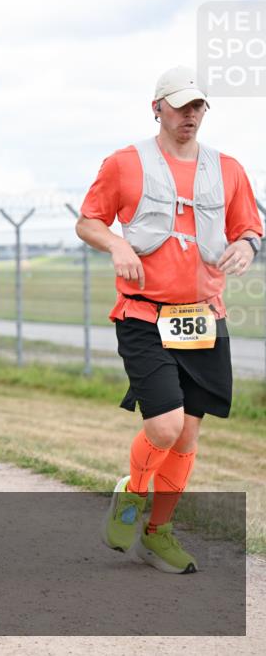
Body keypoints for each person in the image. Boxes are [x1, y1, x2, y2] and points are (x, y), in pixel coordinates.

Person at [76, 66, 262, 574]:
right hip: (144, 314)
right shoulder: (125, 163)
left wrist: (247, 244)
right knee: (164, 425)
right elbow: (88, 219)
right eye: (181, 105)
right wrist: (116, 243)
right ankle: (132, 494)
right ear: (156, 107)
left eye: (198, 106)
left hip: (204, 318)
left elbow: (248, 225)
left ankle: (158, 533)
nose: (191, 115)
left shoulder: (228, 168)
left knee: (188, 436)